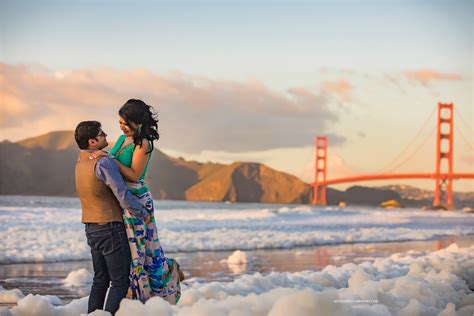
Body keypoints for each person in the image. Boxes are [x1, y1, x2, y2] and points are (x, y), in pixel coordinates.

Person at [90, 99, 183, 304]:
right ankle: (133, 298)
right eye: (120, 122)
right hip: (122, 197)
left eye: (125, 123)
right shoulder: (123, 140)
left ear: (138, 122)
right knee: (130, 251)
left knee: (143, 251)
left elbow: (133, 174)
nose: (121, 127)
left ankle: (164, 279)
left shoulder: (144, 144)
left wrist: (108, 159)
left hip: (137, 200)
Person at [74, 121, 149, 315]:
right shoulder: (103, 162)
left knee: (100, 280)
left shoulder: (80, 161)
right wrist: (143, 212)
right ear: (92, 141)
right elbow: (122, 194)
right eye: (101, 134)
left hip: (90, 228)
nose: (106, 135)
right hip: (110, 228)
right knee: (119, 281)